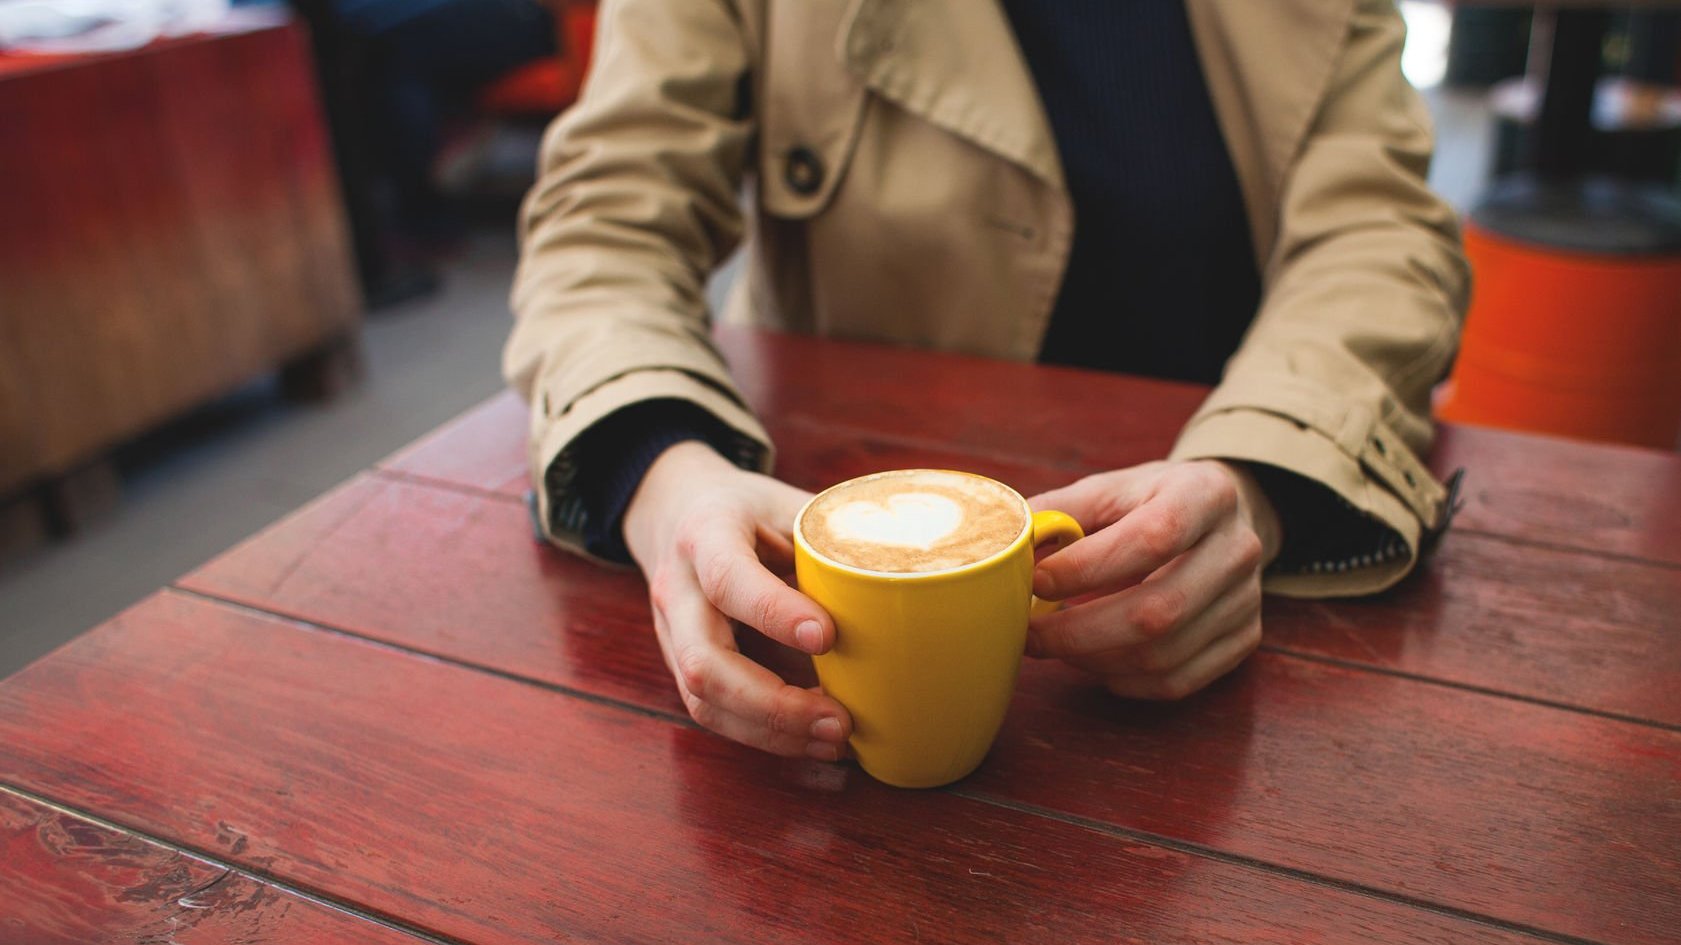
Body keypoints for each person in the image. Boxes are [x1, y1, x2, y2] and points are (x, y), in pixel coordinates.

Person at [504, 0, 1469, 762]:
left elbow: (1381, 233)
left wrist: (1259, 477)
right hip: (808, 544)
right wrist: (666, 476)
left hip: (1214, 613)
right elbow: (605, 221)